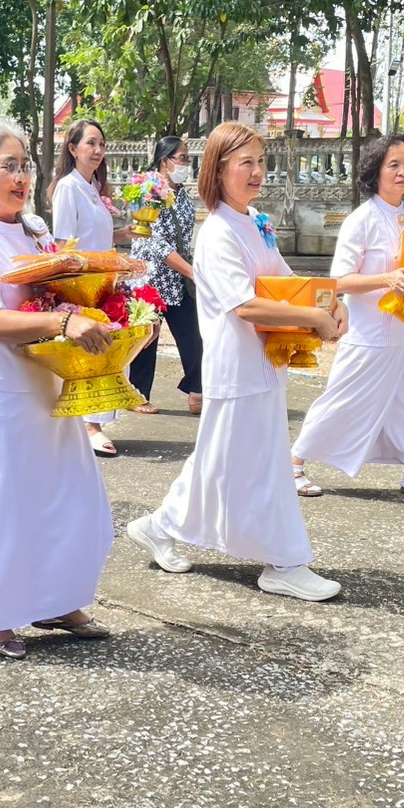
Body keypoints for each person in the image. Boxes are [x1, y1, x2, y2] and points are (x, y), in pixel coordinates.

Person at [126, 122, 349, 602]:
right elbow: (243, 305)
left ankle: (157, 526)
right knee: (253, 464)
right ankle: (284, 562)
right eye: (244, 162)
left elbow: (287, 282)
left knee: (221, 464)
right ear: (218, 169)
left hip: (263, 365)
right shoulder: (219, 232)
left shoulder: (255, 223)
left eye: (260, 161)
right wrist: (311, 315)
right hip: (236, 368)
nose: (256, 171)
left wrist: (331, 304)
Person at [0, 119, 115, 657]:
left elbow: (63, 292)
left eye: (24, 166)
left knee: (67, 499)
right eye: (8, 166)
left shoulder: (36, 230)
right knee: (2, 506)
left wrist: (111, 312)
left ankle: (59, 599)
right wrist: (65, 325)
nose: (20, 177)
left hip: (47, 381)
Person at [290, 134, 404, 501]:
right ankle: (294, 463)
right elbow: (340, 280)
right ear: (375, 172)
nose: (402, 172)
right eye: (393, 165)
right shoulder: (360, 220)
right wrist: (386, 279)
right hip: (367, 333)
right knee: (343, 399)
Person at [49, 117, 138, 455]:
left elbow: (97, 236)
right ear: (72, 149)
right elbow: (63, 243)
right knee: (94, 347)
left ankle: (92, 420)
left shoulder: (94, 191)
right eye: (90, 143)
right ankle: (89, 424)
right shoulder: (68, 188)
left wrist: (123, 236)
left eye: (101, 144)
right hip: (83, 282)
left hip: (106, 278)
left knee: (111, 346)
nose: (98, 150)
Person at [128, 135, 204, 416]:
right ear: (165, 161)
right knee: (146, 339)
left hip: (178, 280)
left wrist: (189, 270)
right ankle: (137, 394)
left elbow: (184, 238)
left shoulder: (182, 194)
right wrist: (192, 271)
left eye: (187, 159)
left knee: (194, 336)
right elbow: (156, 244)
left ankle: (197, 390)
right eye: (181, 158)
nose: (186, 164)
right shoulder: (146, 191)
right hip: (150, 278)